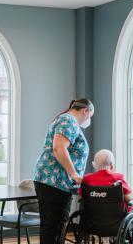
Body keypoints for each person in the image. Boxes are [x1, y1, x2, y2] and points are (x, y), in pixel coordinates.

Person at [33, 98, 94, 244]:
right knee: (53, 228)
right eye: (90, 115)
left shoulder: (66, 120)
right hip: (55, 181)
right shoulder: (69, 120)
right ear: (86, 110)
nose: (89, 120)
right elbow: (59, 147)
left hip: (52, 181)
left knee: (51, 227)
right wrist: (74, 173)